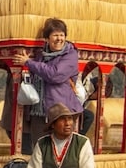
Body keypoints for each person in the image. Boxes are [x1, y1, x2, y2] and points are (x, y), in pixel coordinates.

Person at [12, 17, 83, 153]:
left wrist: (29, 63)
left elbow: (55, 75)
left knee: (60, 150)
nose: (59, 39)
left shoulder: (70, 55)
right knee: (40, 150)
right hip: (40, 112)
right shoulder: (41, 56)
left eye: (62, 35)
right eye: (55, 35)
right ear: (47, 38)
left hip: (61, 111)